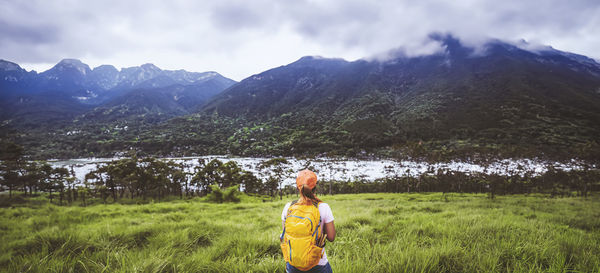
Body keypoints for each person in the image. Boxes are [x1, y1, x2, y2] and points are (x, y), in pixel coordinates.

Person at [281, 169, 336, 273]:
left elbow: (286, 234)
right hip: (318, 263)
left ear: (298, 187)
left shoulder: (288, 207)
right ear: (315, 187)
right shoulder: (323, 207)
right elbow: (331, 237)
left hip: (293, 262)